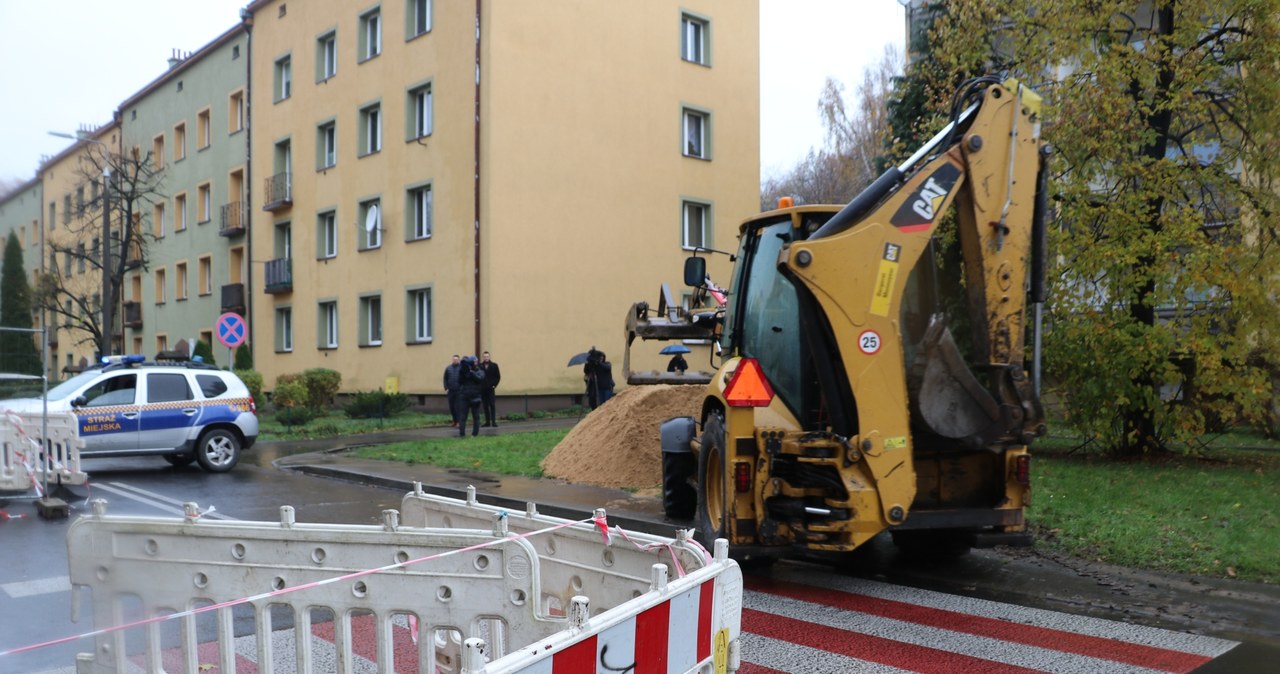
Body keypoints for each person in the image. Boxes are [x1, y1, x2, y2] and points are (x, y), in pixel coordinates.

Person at [457, 356, 486, 437]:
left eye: (475, 361)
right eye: (474, 361)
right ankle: (462, 434)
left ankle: (475, 434)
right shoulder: (464, 371)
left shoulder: (480, 371)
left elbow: (480, 379)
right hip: (464, 397)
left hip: (475, 397)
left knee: (476, 417)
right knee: (463, 417)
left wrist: (471, 373)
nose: (475, 362)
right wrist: (462, 372)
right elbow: (459, 381)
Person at [480, 351, 502, 427]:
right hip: (483, 390)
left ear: (489, 357)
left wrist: (494, 385)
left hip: (491, 389)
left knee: (492, 405)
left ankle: (493, 422)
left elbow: (498, 377)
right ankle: (487, 422)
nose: (486, 358)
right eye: (485, 356)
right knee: (485, 406)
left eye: (487, 356)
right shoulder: (480, 366)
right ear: (483, 357)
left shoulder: (494, 366)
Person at [442, 355, 462, 427]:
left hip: (459, 391)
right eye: (454, 359)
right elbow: (445, 378)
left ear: (459, 360)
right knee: (452, 407)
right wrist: (446, 387)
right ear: (452, 360)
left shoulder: (461, 368)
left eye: (457, 359)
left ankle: (459, 422)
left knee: (458, 407)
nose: (455, 361)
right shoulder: (448, 368)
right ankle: (454, 421)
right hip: (451, 390)